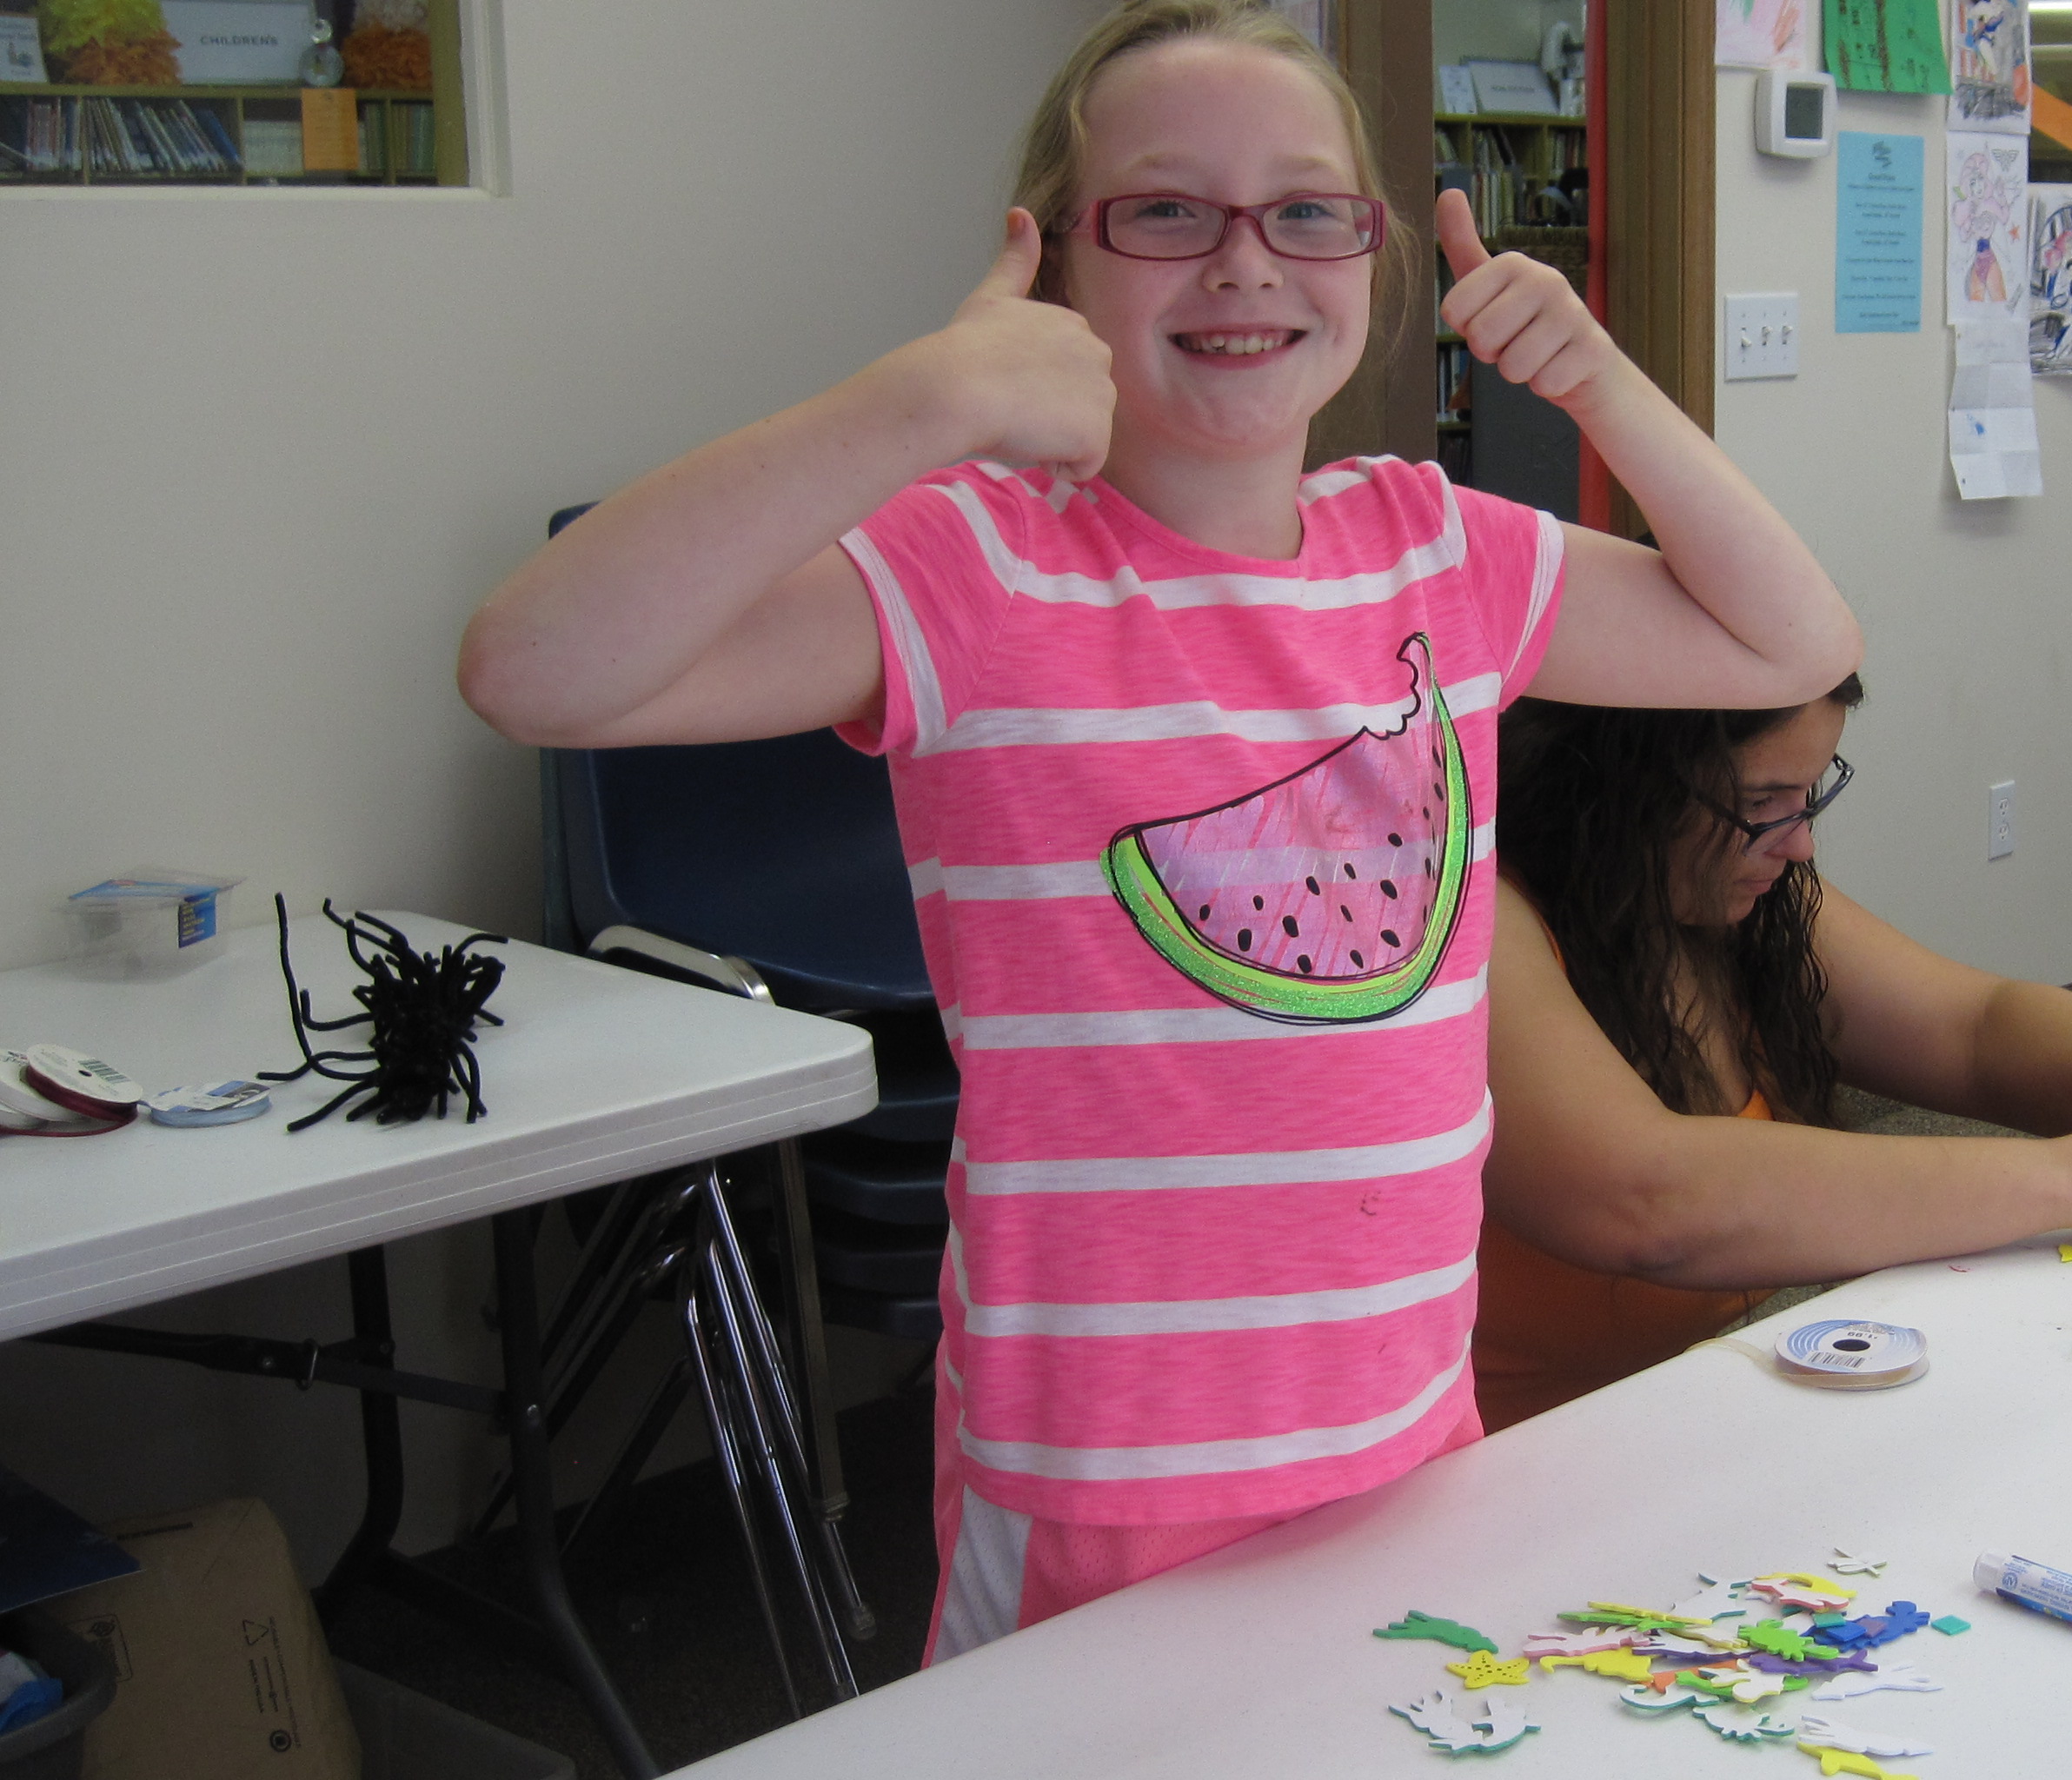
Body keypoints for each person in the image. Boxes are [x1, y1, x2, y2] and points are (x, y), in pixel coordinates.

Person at [454, 0, 1860, 1658]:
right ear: (1057, 258)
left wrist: (1599, 379)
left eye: (1305, 210)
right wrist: (916, 403)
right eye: (1169, 210)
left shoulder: (1435, 551)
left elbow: (1789, 640)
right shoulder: (976, 568)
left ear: (1372, 251)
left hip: (1409, 1427)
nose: (1244, 262)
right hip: (1100, 1473)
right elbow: (532, 668)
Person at [1475, 682, 2072, 1431]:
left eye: (1810, 795)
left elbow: (1972, 1028)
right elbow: (1651, 1199)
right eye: (1761, 801)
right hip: (1470, 1482)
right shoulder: (1479, 928)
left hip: (1653, 1426)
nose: (1800, 845)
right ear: (1616, 783)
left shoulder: (1717, 892)